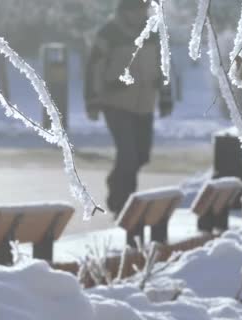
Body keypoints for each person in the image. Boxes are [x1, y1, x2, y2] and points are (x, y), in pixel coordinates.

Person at [84, 0, 173, 216]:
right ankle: (122, 203)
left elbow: (164, 66)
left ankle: (116, 183)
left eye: (144, 9)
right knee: (128, 156)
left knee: (141, 156)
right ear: (125, 11)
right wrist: (92, 101)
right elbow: (93, 68)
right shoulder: (109, 33)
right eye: (137, 10)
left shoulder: (152, 31)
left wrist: (165, 97)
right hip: (116, 103)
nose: (141, 13)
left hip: (144, 104)